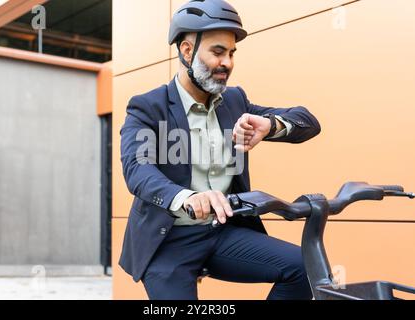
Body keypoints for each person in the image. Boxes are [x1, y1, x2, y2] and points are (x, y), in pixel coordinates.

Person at [119, 0, 321, 300]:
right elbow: (138, 169)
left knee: (305, 268)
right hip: (168, 241)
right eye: (217, 52)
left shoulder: (235, 101)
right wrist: (186, 197)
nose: (227, 62)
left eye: (231, 53)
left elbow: (308, 122)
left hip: (223, 233)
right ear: (187, 51)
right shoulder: (148, 106)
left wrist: (270, 125)